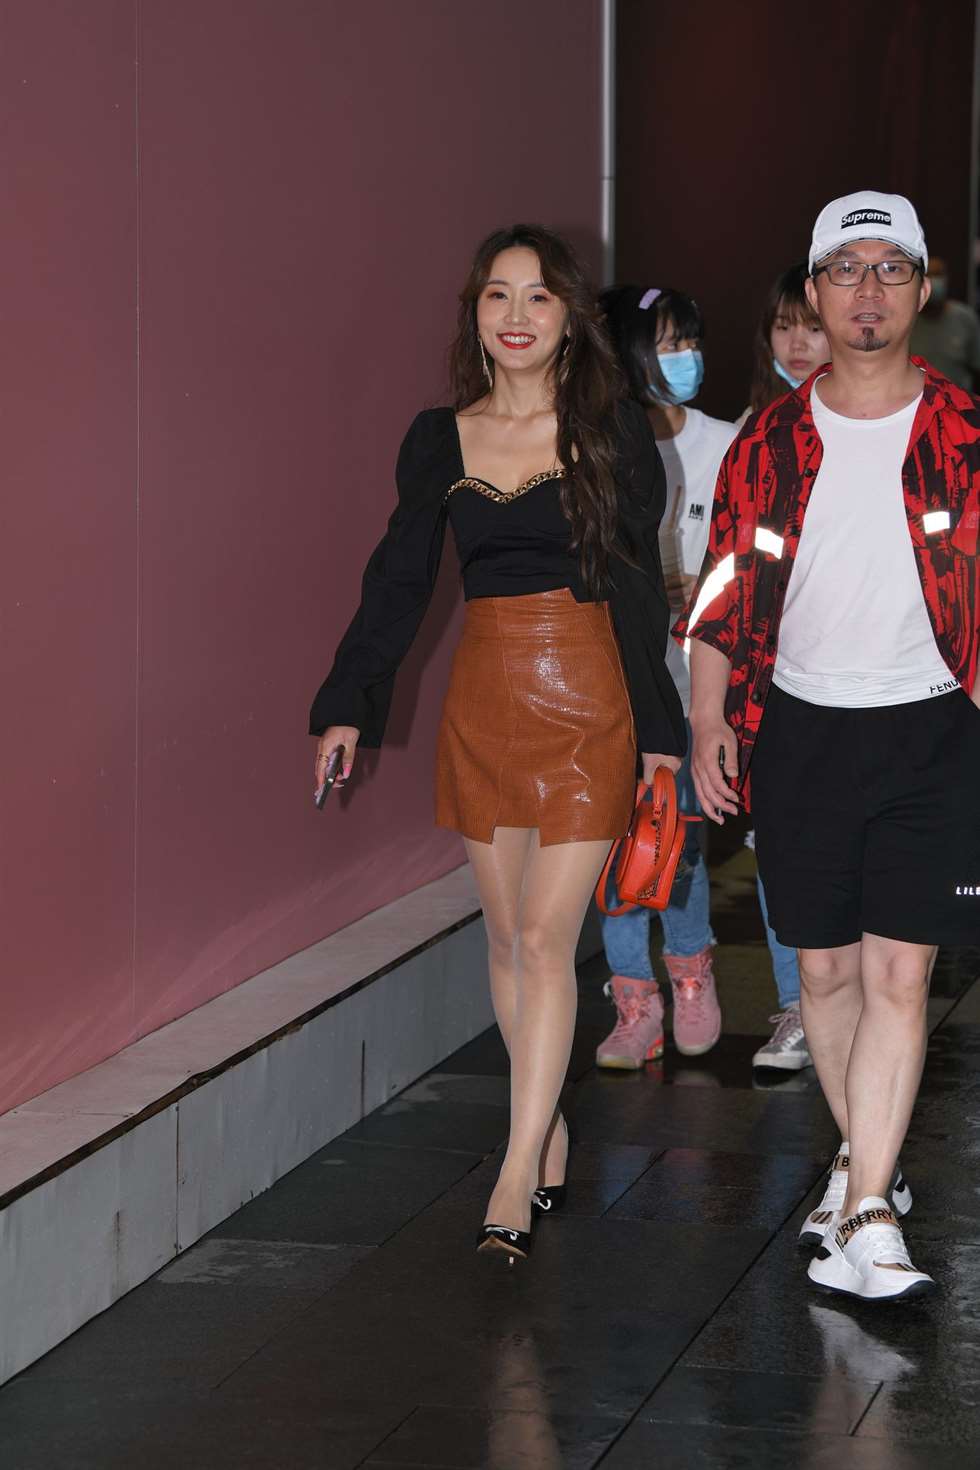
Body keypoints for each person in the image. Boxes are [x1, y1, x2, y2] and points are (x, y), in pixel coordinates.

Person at [310, 225, 685, 1263]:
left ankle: (515, 1168)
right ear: (474, 314)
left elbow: (637, 590)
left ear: (568, 318)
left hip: (589, 697)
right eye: (496, 296)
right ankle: (544, 1123)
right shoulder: (440, 436)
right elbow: (397, 579)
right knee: (507, 935)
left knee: (547, 939)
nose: (515, 316)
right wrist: (347, 702)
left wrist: (658, 733)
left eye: (537, 297)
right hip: (483, 697)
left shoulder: (610, 430)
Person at [678, 190, 980, 1301]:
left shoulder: (966, 433)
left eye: (889, 268)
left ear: (920, 289)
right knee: (823, 974)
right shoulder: (767, 441)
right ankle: (866, 1167)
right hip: (799, 728)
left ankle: (864, 1204)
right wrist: (706, 716)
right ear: (814, 291)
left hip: (932, 728)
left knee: (902, 972)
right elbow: (723, 585)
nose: (867, 290)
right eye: (844, 269)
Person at [593, 285, 730, 1066]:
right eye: (667, 343)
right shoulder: (595, 442)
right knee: (615, 838)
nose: (684, 359)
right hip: (613, 672)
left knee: (677, 836)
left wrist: (696, 588)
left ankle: (690, 976)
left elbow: (746, 557)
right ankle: (633, 1001)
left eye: (690, 342)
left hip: (688, 673)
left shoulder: (724, 442)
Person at [742, 264, 830, 1071]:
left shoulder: (883, 422)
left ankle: (847, 1000)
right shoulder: (756, 433)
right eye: (782, 326)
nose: (797, 342)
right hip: (776, 679)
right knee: (780, 845)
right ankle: (798, 1005)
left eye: (809, 324)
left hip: (870, 676)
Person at [910, 255, 980, 390]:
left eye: (938, 275)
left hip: (958, 400)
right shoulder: (908, 321)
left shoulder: (965, 318)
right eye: (929, 275)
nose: (935, 281)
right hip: (917, 400)